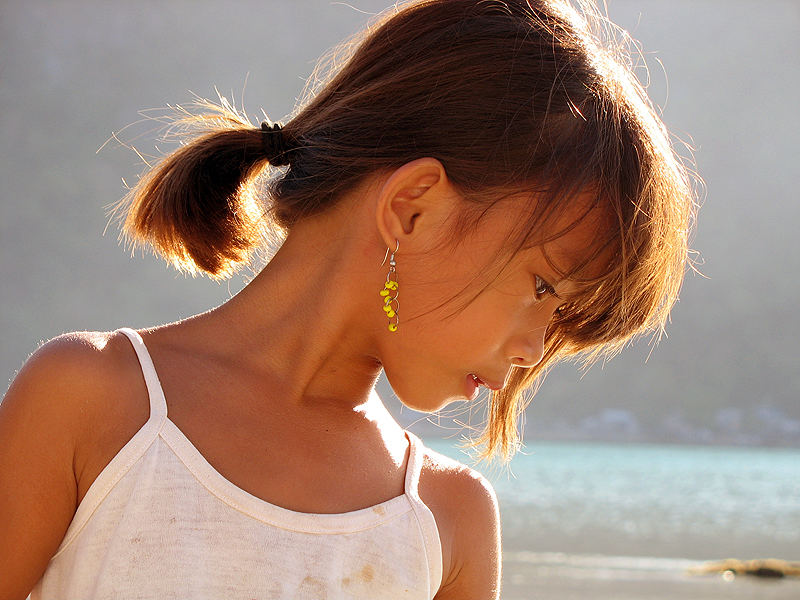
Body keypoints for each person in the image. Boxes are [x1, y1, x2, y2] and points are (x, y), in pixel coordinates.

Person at [0, 0, 695, 598]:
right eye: (544, 287)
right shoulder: (94, 403)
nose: (534, 349)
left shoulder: (446, 523)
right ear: (413, 209)